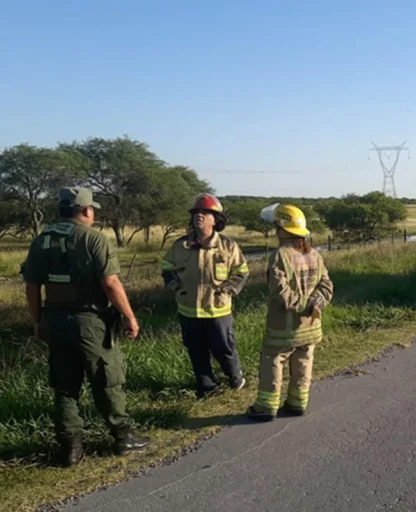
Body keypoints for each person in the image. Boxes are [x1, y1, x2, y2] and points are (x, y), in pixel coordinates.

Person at [21, 187, 150, 467]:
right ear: (87, 210)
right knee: (106, 378)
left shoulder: (41, 240)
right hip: (90, 321)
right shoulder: (93, 239)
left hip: (54, 320)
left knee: (65, 385)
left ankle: (70, 449)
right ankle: (122, 437)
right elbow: (111, 283)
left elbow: (32, 287)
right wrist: (129, 316)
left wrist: (36, 320)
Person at [247, 204, 333, 422]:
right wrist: (315, 305)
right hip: (311, 326)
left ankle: (266, 407)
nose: (275, 230)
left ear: (283, 229)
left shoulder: (279, 256)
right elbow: (327, 286)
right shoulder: (315, 254)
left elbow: (280, 291)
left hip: (283, 328)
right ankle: (297, 404)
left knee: (273, 361)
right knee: (304, 362)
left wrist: (302, 305)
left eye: (277, 226)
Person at [160, 193, 249, 398]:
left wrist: (229, 289)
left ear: (215, 219)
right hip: (188, 310)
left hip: (218, 310)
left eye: (205, 213)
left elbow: (241, 271)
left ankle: (235, 377)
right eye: (196, 213)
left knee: (224, 348)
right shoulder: (180, 245)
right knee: (196, 351)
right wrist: (175, 286)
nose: (199, 216)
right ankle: (207, 387)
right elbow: (166, 268)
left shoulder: (228, 246)